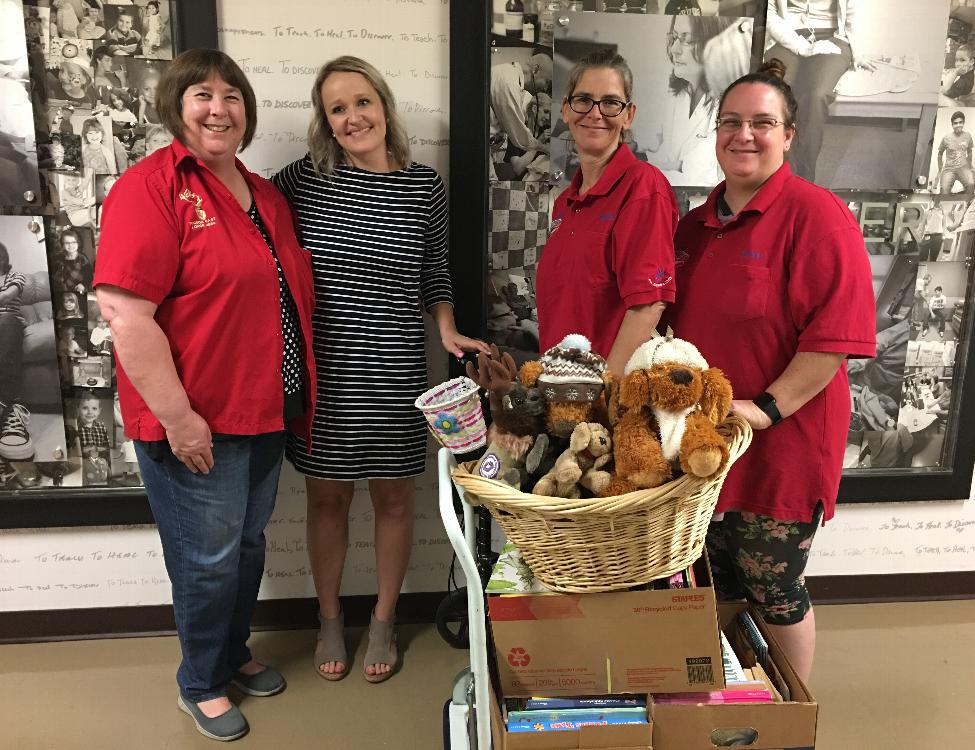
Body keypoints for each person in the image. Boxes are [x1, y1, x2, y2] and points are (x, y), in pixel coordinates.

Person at [94, 48, 317, 742]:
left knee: (245, 547)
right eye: (202, 95)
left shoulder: (266, 195)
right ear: (176, 106)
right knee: (207, 558)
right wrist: (179, 419)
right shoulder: (150, 187)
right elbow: (126, 316)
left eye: (232, 96)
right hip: (196, 421)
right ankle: (198, 680)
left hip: (263, 409)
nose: (219, 108)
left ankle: (230, 652)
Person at [272, 55, 487, 685]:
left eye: (361, 102)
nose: (352, 116)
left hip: (395, 364)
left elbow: (435, 271)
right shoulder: (301, 182)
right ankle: (331, 618)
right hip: (327, 370)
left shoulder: (425, 185)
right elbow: (247, 221)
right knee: (327, 500)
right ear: (326, 122)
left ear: (384, 106)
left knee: (395, 500)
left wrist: (445, 330)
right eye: (337, 108)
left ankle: (386, 619)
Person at [666, 59, 876, 685]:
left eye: (763, 122)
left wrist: (764, 409)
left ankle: (791, 711)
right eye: (732, 122)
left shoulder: (818, 218)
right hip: (708, 443)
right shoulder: (694, 226)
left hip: (782, 441)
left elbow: (832, 342)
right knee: (714, 579)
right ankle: (735, 699)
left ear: (789, 134)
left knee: (772, 582)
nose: (744, 135)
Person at [535, 49, 677, 374]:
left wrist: (604, 393)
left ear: (628, 115)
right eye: (583, 99)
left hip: (604, 397)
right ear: (566, 110)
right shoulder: (566, 202)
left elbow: (649, 303)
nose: (595, 113)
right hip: (562, 388)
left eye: (611, 102)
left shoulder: (642, 186)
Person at [764, 0, 874, 182]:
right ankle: (777, 173)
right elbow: (769, 13)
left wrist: (858, 52)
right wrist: (802, 47)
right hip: (787, 35)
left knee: (816, 94)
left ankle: (803, 179)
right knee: (775, 90)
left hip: (832, 38)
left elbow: (853, 12)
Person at [645, 16, 748, 186]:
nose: (674, 49)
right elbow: (667, 156)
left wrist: (647, 168)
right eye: (674, 37)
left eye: (687, 40)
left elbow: (698, 177)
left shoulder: (728, 104)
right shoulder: (679, 94)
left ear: (713, 44)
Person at [489, 53, 552, 180]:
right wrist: (545, 148)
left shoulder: (516, 83)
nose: (544, 87)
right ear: (535, 69)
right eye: (546, 81)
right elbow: (519, 136)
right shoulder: (509, 82)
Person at [0, 241, 34, 461]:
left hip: (8, 321)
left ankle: (4, 404)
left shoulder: (16, 276)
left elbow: (7, 296)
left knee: (5, 322)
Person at [933, 111, 975, 196]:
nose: (958, 125)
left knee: (971, 185)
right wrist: (940, 169)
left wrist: (969, 166)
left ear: (963, 123)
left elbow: (970, 151)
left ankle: (965, 206)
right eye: (955, 123)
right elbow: (940, 153)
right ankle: (947, 207)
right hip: (949, 168)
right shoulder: (946, 138)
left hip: (963, 167)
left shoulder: (968, 136)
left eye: (960, 122)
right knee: (944, 189)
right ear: (952, 125)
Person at [51, 227, 93, 296]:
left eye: (73, 242)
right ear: (63, 245)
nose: (71, 245)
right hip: (64, 288)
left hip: (77, 288)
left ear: (78, 243)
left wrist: (83, 284)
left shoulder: (82, 259)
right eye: (67, 243)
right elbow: (58, 272)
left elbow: (89, 275)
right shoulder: (61, 257)